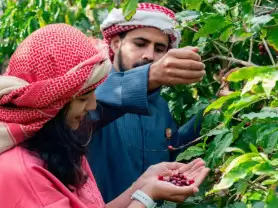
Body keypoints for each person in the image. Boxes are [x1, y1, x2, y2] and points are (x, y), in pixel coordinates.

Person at [0, 24, 209, 208]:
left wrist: (140, 187)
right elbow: (110, 97)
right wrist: (145, 197)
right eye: (82, 97)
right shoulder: (21, 174)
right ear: (51, 102)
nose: (92, 105)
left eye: (159, 48)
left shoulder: (64, 143)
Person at [87, 3, 206, 202]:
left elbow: (173, 150)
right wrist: (147, 77)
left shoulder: (160, 105)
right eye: (140, 44)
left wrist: (213, 111)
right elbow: (93, 109)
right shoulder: (90, 92)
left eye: (159, 49)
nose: (149, 55)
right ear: (116, 44)